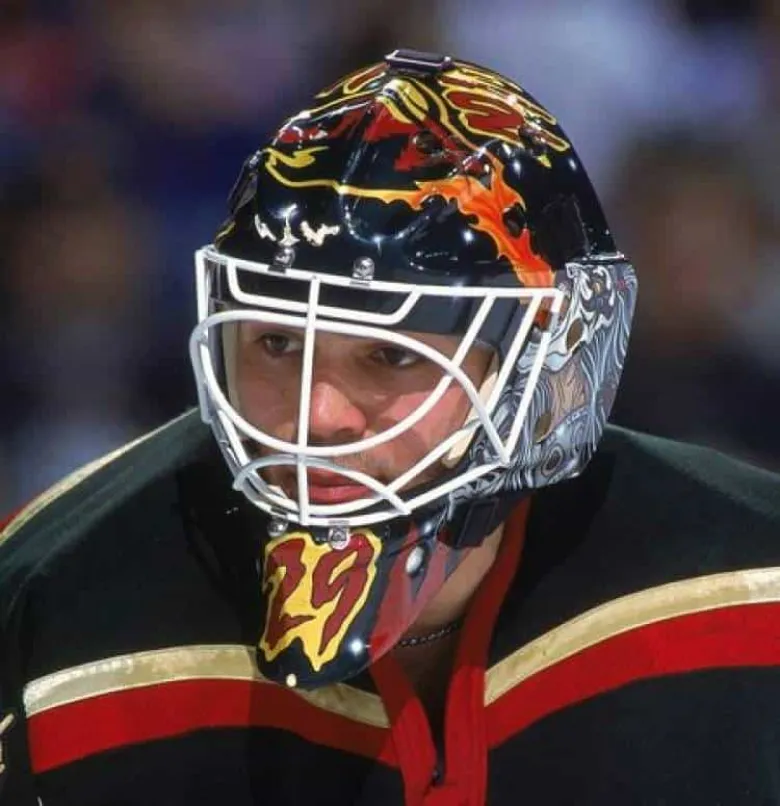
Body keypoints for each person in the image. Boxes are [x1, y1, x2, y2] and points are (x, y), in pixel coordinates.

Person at [1, 49, 779, 806]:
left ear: (549, 368)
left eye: (391, 355)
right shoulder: (49, 605)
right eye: (276, 344)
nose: (317, 416)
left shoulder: (752, 584)